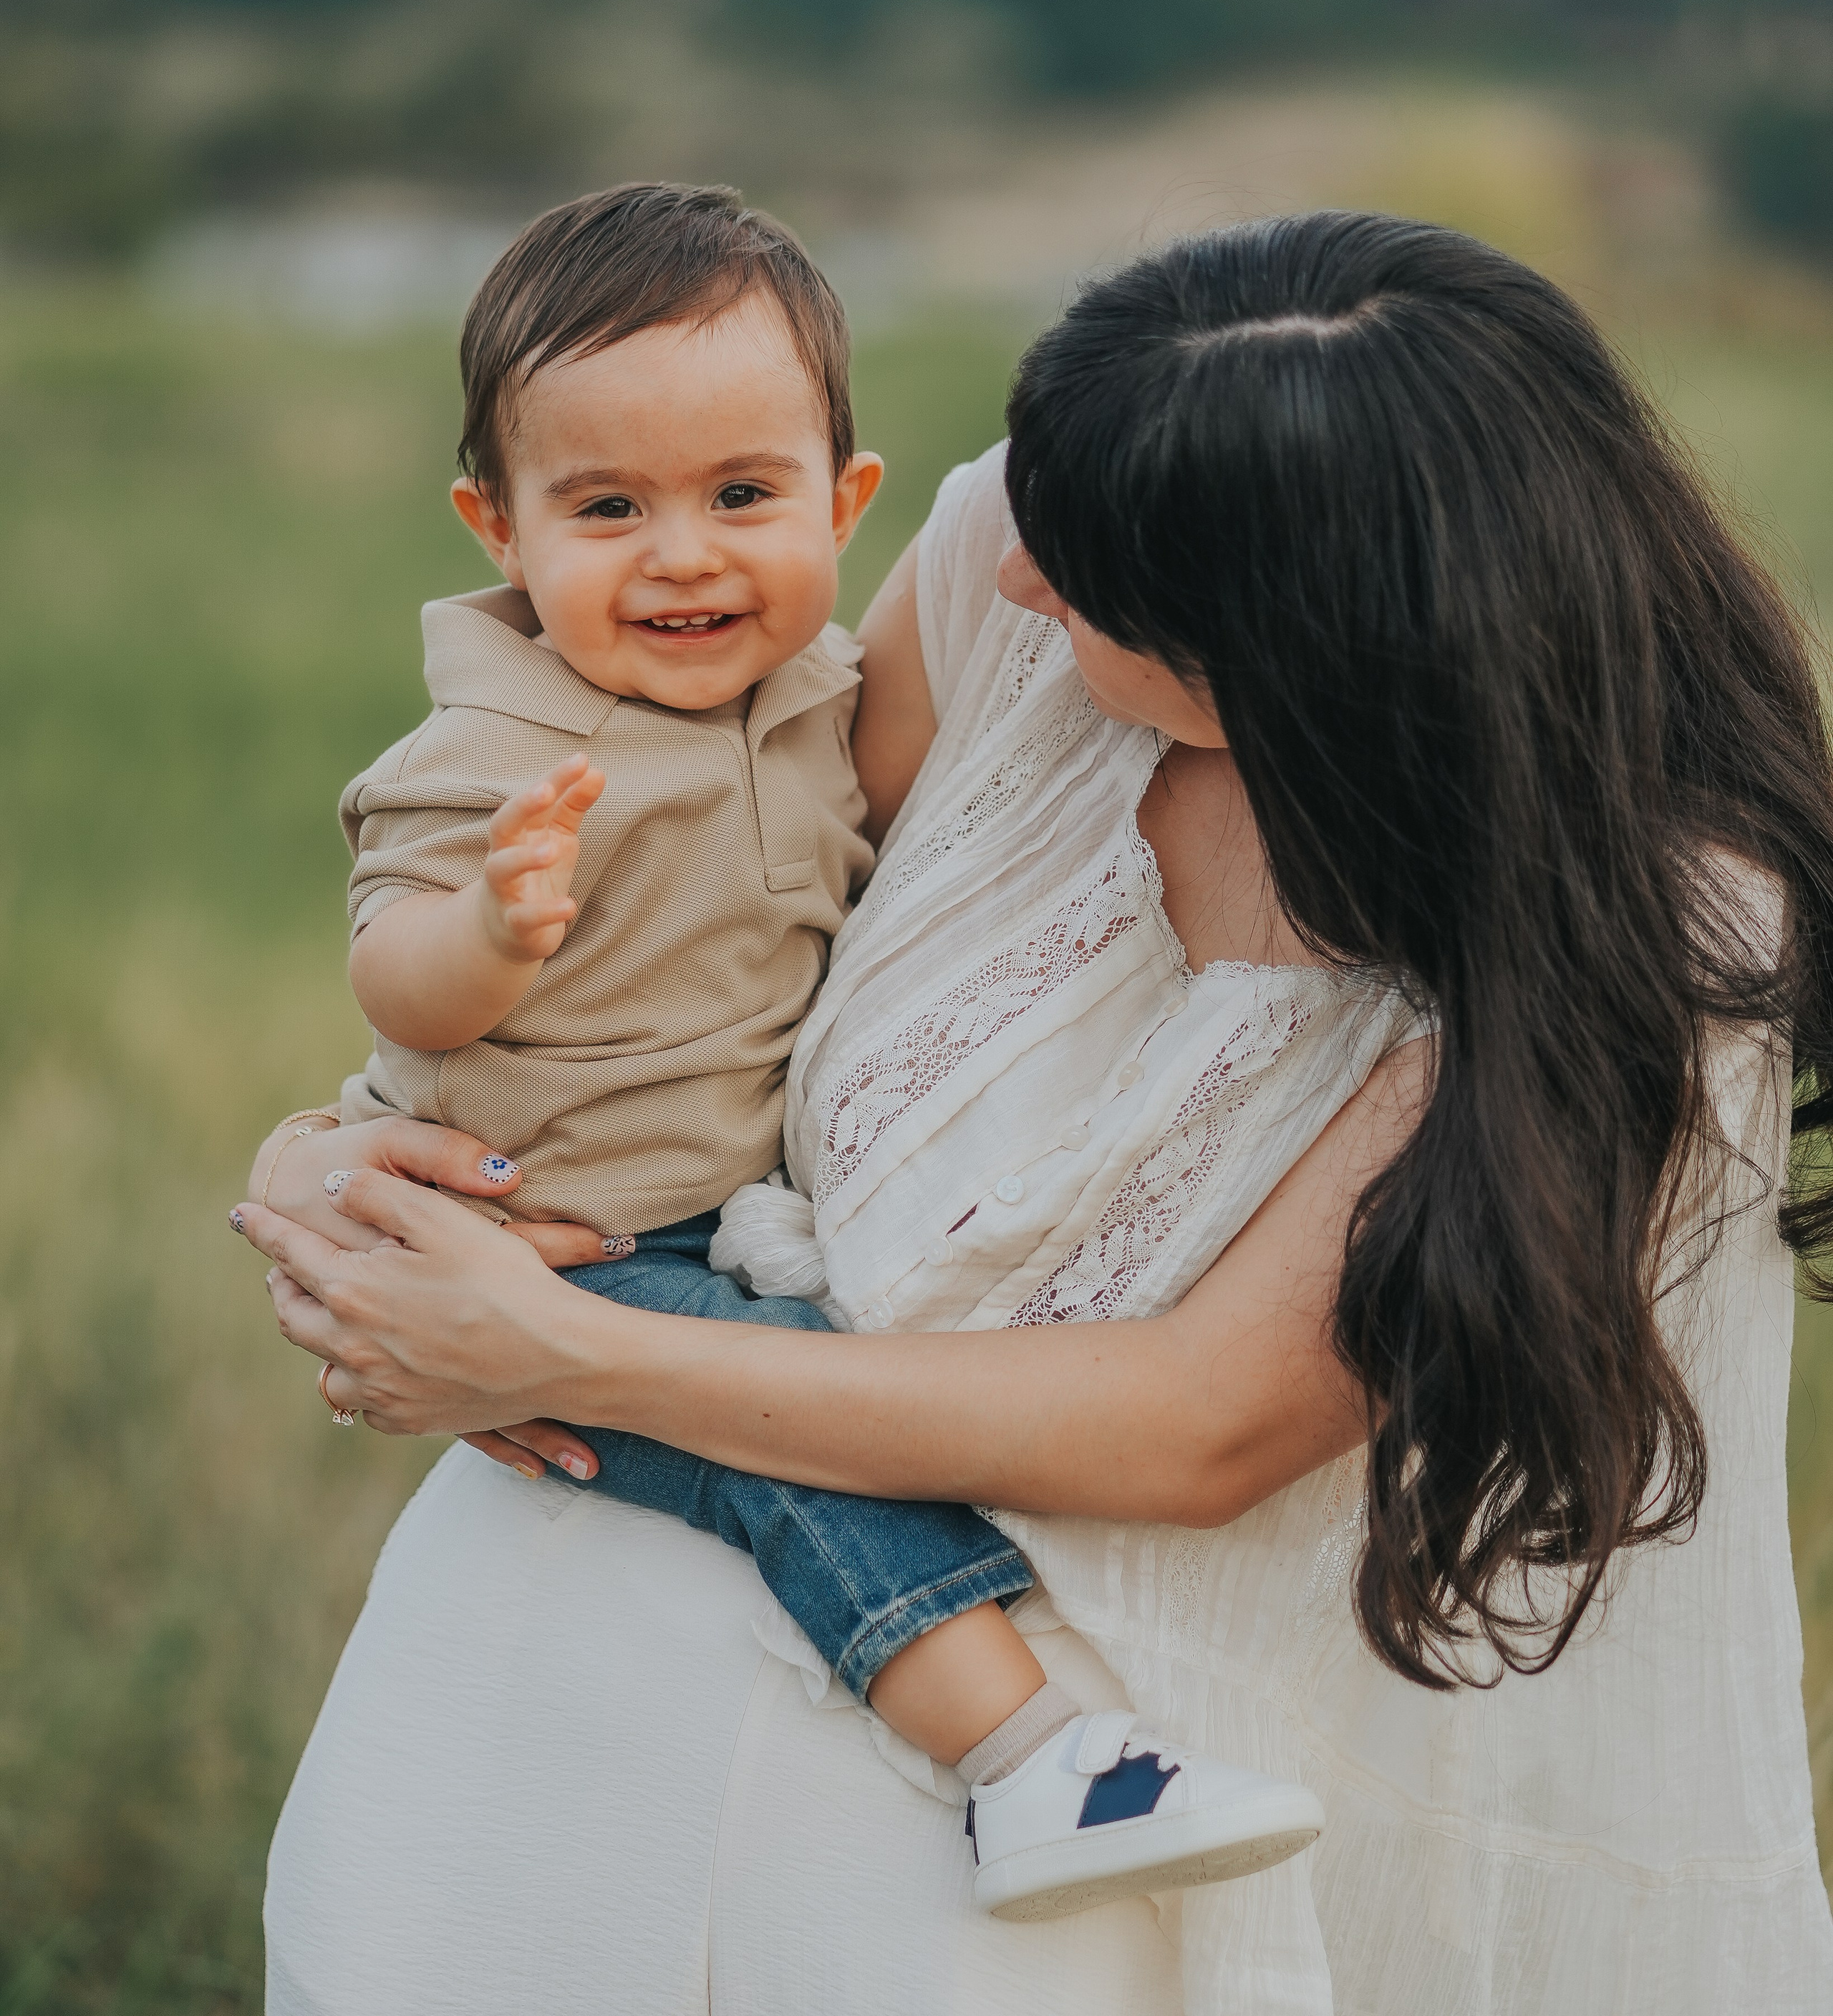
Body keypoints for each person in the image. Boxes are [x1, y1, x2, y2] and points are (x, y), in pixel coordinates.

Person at [240, 211, 1833, 2015]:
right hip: (535, 1703)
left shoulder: (1652, 931)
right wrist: (341, 1152)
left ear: (1303, 645)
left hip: (1056, 1840)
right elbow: (682, 926)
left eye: (1080, 579)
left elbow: (1203, 1424)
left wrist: (548, 1347)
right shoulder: (1031, 539)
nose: (1003, 579)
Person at [301, 175, 1322, 1921]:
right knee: (798, 1481)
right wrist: (491, 934)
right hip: (574, 1233)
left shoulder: (827, 693)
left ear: (846, 503)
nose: (682, 553)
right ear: (496, 526)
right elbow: (393, 977)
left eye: (741, 494)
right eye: (605, 505)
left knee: (779, 1413)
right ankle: (1032, 1766)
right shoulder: (492, 755)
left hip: (714, 1210)